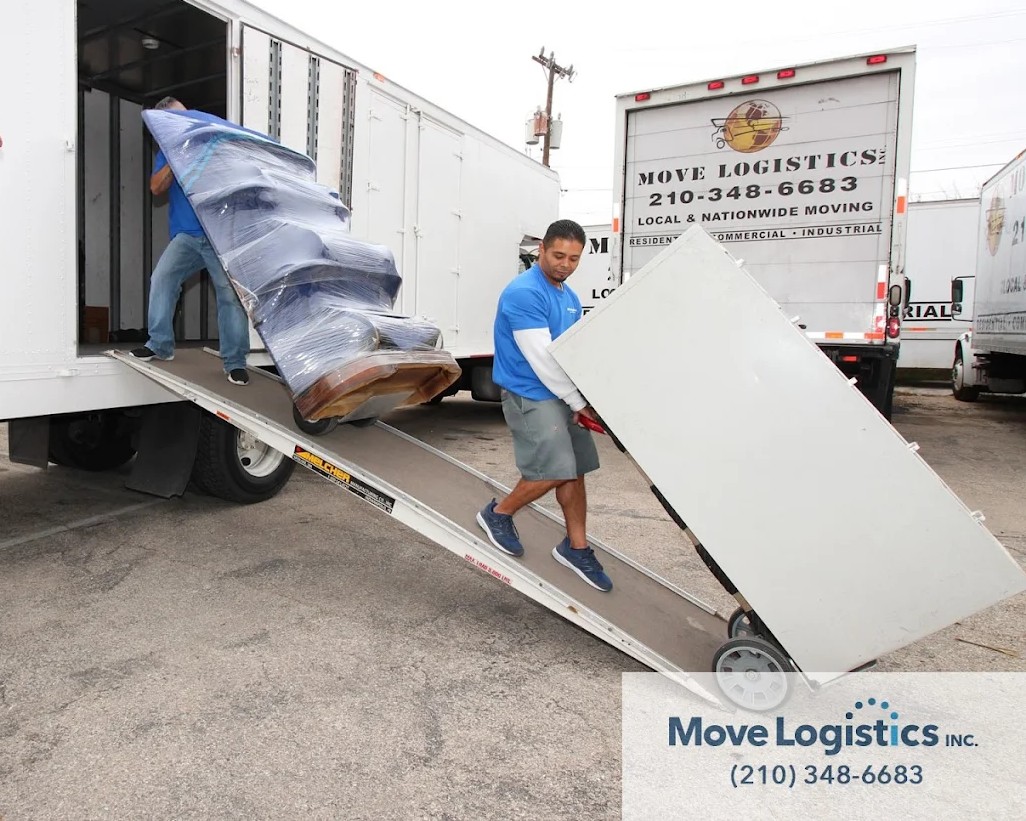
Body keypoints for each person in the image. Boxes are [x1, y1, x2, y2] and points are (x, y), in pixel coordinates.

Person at [476, 219, 612, 592]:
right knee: (553, 470)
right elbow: (543, 359)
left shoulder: (567, 297)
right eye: (558, 255)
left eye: (574, 258)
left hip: (560, 393)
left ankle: (576, 546)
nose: (565, 264)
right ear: (541, 251)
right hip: (530, 393)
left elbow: (569, 352)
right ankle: (499, 513)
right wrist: (578, 402)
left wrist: (590, 394)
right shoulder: (524, 293)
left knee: (576, 469)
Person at [130, 96, 251, 386]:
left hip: (217, 235)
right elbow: (156, 187)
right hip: (186, 236)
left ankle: (235, 363)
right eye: (181, 117)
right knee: (162, 279)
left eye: (190, 114)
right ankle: (159, 345)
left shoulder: (211, 144)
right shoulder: (168, 151)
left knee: (230, 296)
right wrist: (176, 159)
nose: (190, 120)